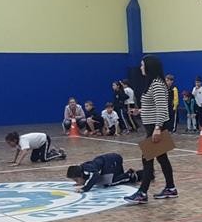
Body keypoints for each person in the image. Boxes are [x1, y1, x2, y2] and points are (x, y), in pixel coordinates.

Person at [124, 54, 178, 204]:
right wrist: (140, 111)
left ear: (149, 66)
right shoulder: (153, 83)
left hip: (156, 128)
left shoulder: (157, 84)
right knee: (162, 158)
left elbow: (162, 108)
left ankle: (142, 192)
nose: (141, 67)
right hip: (151, 127)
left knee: (146, 159)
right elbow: (153, 105)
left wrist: (158, 128)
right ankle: (171, 188)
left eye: (142, 65)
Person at [66, 153, 141, 193]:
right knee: (105, 180)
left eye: (76, 179)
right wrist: (82, 183)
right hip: (111, 161)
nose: (76, 181)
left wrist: (85, 188)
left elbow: (96, 175)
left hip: (112, 160)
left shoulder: (86, 168)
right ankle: (125, 175)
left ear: (80, 175)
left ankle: (129, 175)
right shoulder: (83, 169)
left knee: (107, 183)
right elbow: (88, 177)